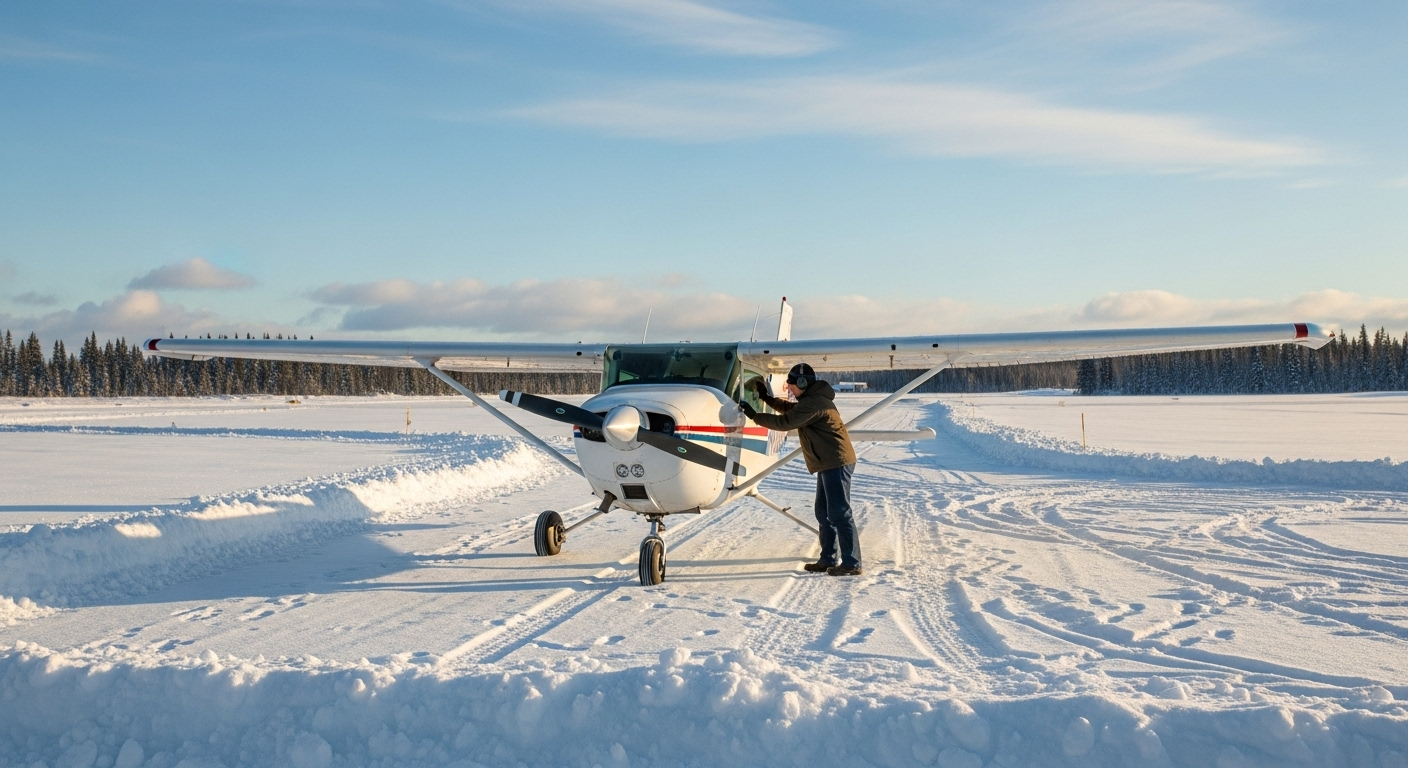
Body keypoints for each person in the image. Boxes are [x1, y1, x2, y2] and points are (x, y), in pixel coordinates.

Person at [738, 363, 862, 576]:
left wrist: (754, 415)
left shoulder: (816, 403)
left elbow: (786, 421)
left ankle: (852, 563)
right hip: (827, 461)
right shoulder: (810, 400)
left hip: (836, 461)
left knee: (839, 513)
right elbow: (790, 409)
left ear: (803, 383)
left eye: (792, 384)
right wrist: (766, 399)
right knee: (823, 513)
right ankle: (827, 558)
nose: (789, 388)